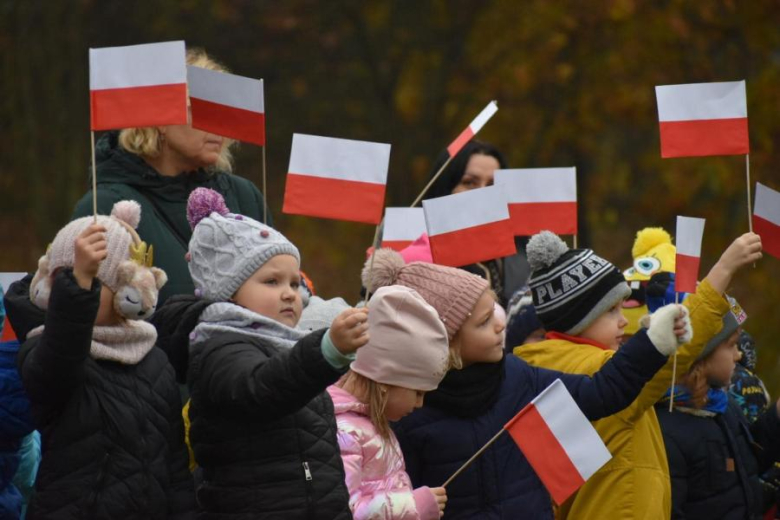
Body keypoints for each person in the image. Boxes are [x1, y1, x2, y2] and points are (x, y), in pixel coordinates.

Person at [363, 247, 690, 519]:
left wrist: (653, 343)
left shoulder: (520, 377)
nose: (499, 325)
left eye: (495, 311)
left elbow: (601, 392)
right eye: (483, 322)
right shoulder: (408, 411)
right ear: (445, 341)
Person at [515, 230, 762, 519]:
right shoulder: (602, 372)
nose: (623, 321)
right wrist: (723, 270)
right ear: (577, 320)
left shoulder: (536, 369)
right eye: (610, 311)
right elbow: (674, 354)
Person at [173, 188, 366, 518]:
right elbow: (260, 388)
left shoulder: (288, 344)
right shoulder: (219, 345)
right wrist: (326, 351)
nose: (290, 294)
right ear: (227, 291)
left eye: (294, 283)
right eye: (272, 282)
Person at [4, 201, 194, 519]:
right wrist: (79, 283)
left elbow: (174, 465)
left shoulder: (155, 359)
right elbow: (59, 363)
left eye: (97, 284)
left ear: (129, 295)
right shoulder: (43, 348)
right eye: (65, 283)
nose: (85, 289)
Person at [72, 48, 269, 305]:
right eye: (202, 109)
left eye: (222, 111)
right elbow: (89, 317)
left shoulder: (245, 195)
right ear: (161, 118)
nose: (218, 123)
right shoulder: (102, 205)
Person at [329, 285, 450, 519]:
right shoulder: (345, 433)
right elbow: (348, 510)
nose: (420, 404)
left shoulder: (373, 422)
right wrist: (414, 506)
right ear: (385, 381)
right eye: (417, 392)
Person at [657, 298, 780, 519]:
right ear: (701, 355)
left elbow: (746, 464)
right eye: (731, 345)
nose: (738, 355)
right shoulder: (667, 429)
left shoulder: (723, 405)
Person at [423, 140, 528, 305]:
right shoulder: (415, 247)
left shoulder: (525, 259)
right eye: (470, 182)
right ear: (446, 186)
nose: (483, 193)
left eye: (493, 185)